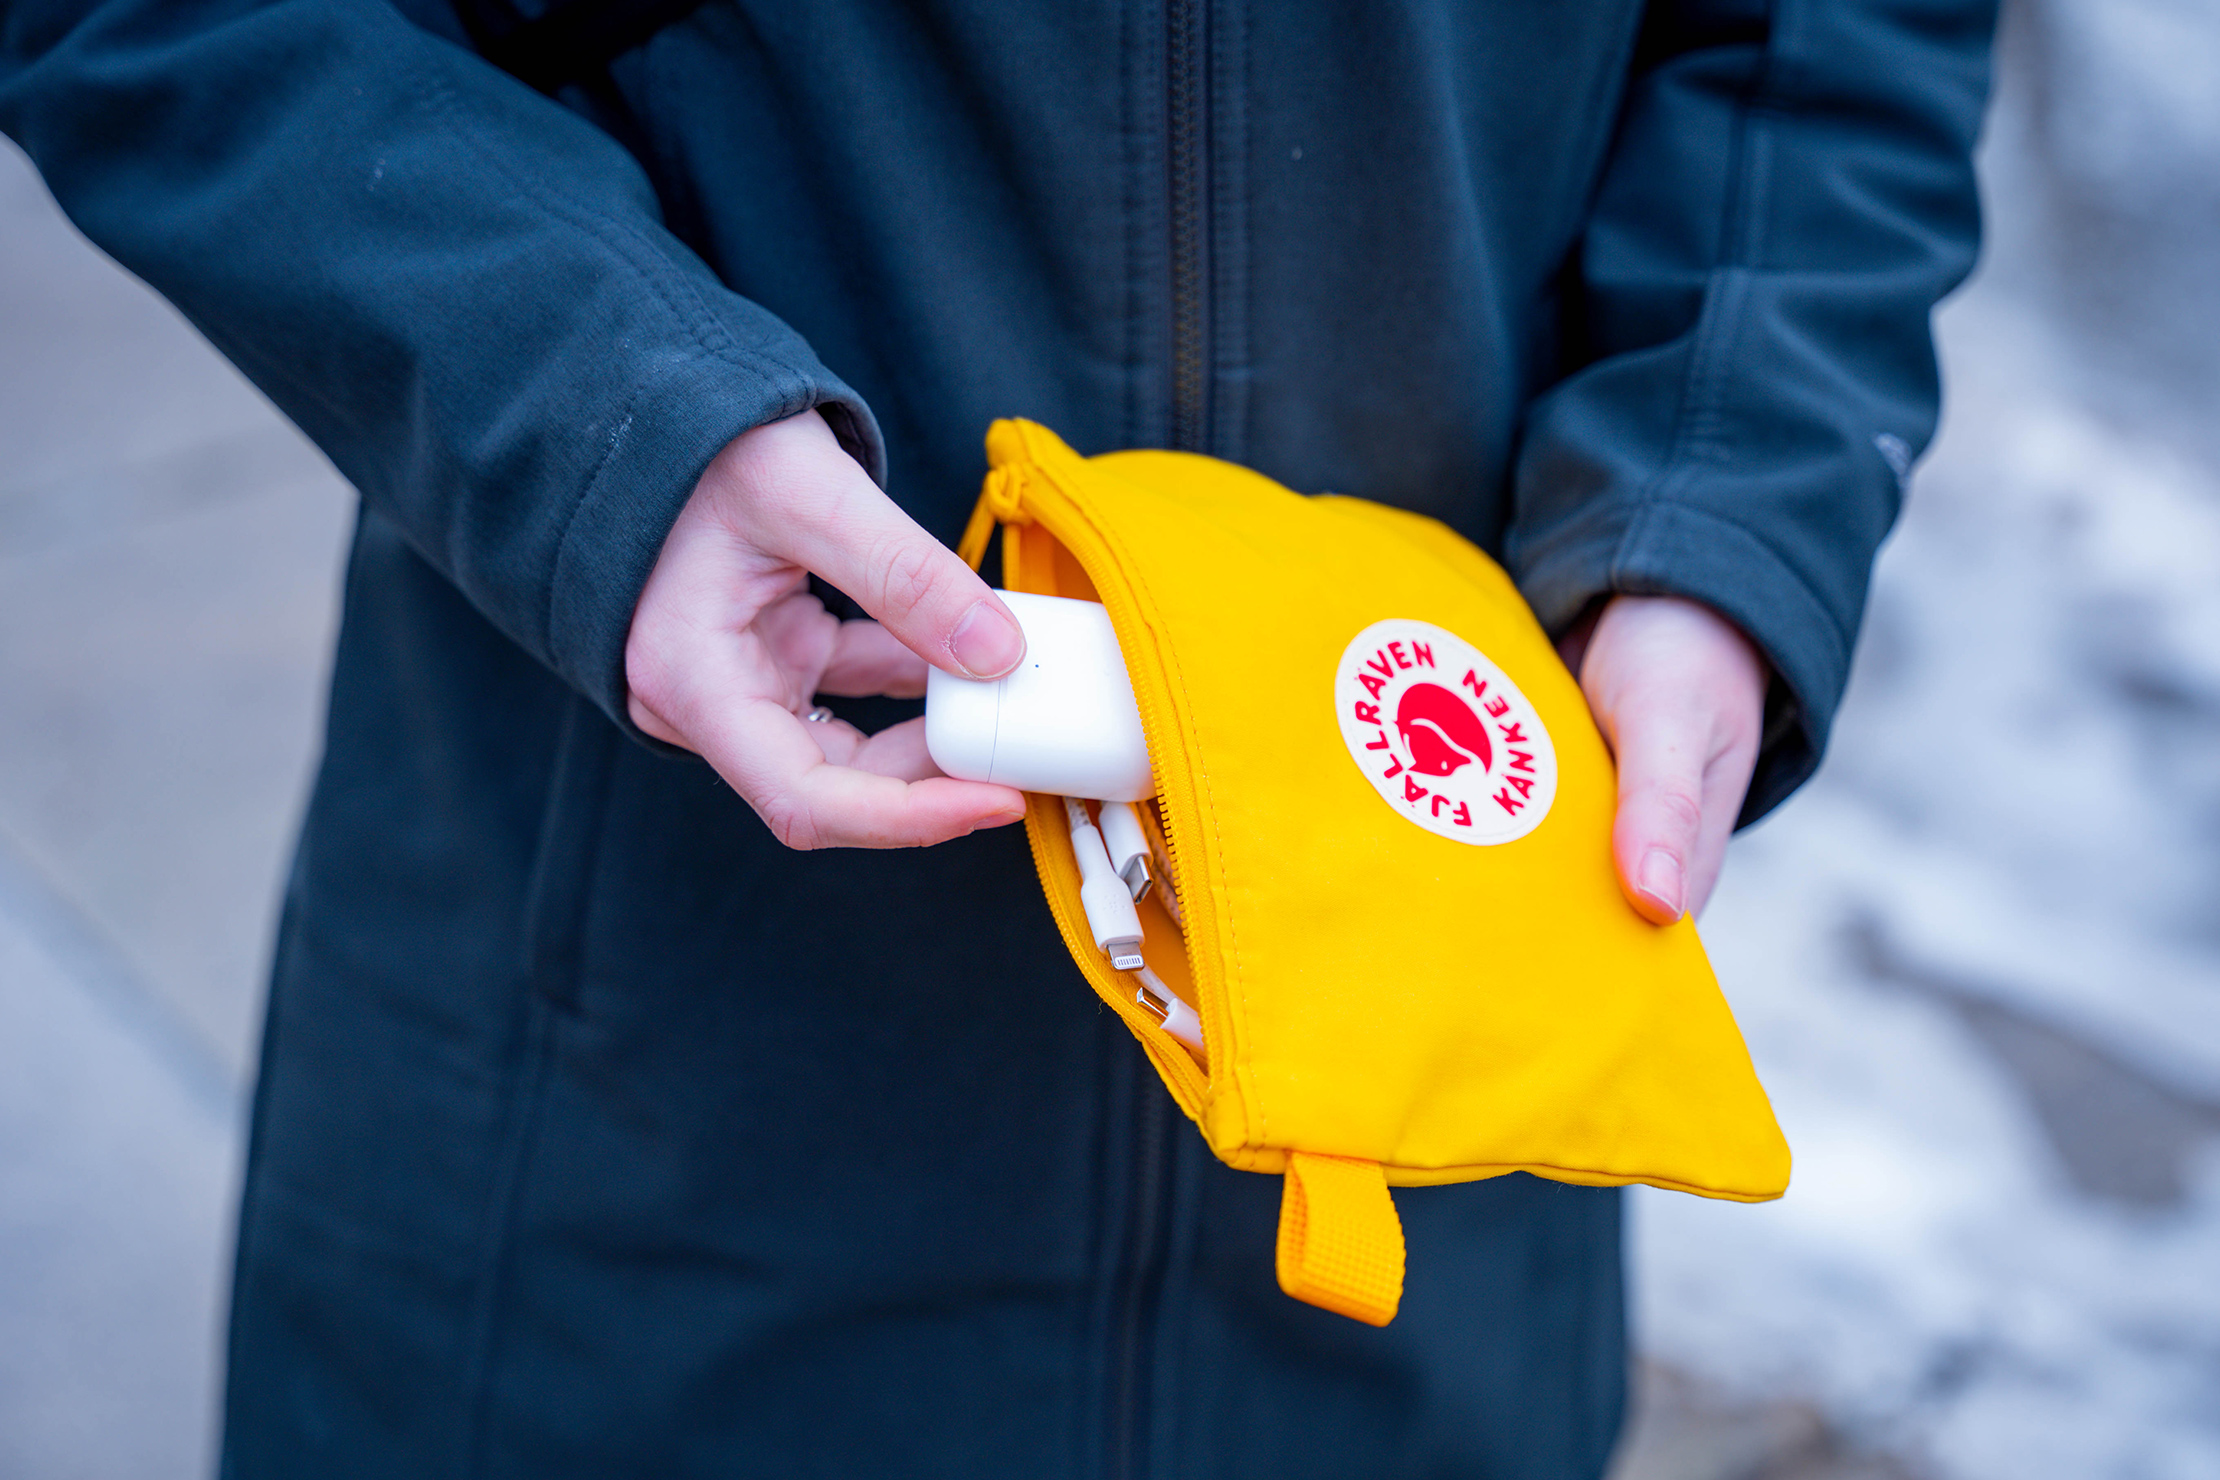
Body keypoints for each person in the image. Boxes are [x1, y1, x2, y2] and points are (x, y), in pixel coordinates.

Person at [0, 1, 1996, 1474]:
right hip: (622, 1151)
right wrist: (587, 406)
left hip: (1420, 1180)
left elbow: (1830, 47)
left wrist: (1717, 503)